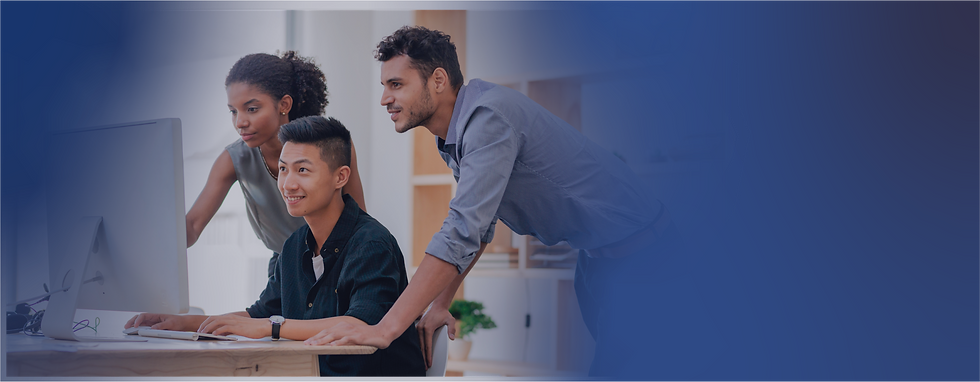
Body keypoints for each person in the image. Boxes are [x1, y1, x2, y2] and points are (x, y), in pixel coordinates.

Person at [304, 26, 691, 377]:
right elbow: (480, 227)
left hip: (643, 256)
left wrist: (386, 328)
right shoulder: (454, 136)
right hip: (596, 260)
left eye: (396, 84)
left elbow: (461, 229)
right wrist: (441, 302)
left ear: (438, 80)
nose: (385, 98)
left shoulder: (488, 116)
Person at [126, 116, 424, 377]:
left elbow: (359, 325)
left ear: (340, 177)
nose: (288, 184)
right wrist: (183, 324)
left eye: (302, 170)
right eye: (283, 170)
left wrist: (273, 327)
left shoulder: (371, 244)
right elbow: (259, 314)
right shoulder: (294, 246)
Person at [185, 51, 366, 277]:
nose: (240, 122)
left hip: (338, 261)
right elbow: (191, 226)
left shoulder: (332, 146)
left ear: (284, 104)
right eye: (233, 111)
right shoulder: (233, 159)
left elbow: (359, 219)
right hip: (284, 266)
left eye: (252, 109)